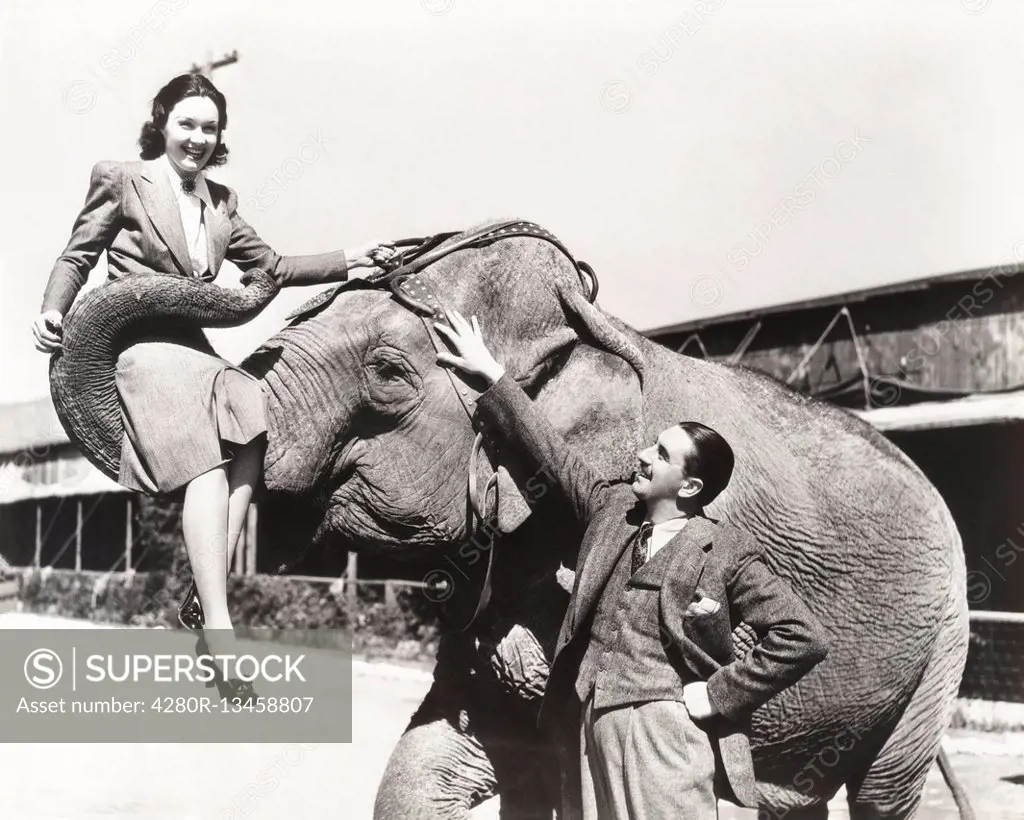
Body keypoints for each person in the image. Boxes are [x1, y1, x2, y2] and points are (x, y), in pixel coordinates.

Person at [32, 73, 396, 703]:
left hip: (194, 347)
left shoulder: (222, 201)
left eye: (209, 128)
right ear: (162, 122)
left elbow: (271, 269)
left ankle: (205, 598)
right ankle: (221, 635)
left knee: (251, 419)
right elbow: (77, 253)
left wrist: (349, 261)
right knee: (205, 462)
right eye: (187, 124)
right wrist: (52, 308)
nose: (198, 138)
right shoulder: (121, 178)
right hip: (135, 344)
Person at [433, 309, 829, 819]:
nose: (642, 455)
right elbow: (551, 454)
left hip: (667, 735)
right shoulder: (610, 511)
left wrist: (717, 694)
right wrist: (491, 373)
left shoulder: (727, 550)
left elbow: (803, 636)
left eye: (660, 454)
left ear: (689, 487)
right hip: (590, 723)